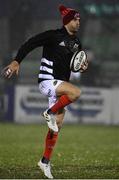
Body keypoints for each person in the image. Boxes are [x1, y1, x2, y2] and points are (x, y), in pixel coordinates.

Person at [2, 5, 88, 179]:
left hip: (61, 86)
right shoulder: (53, 35)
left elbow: (76, 63)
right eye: (75, 19)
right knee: (76, 93)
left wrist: (82, 67)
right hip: (47, 82)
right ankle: (49, 112)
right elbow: (30, 43)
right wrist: (17, 61)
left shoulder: (77, 43)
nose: (78, 22)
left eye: (79, 19)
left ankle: (44, 162)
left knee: (56, 127)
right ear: (67, 21)